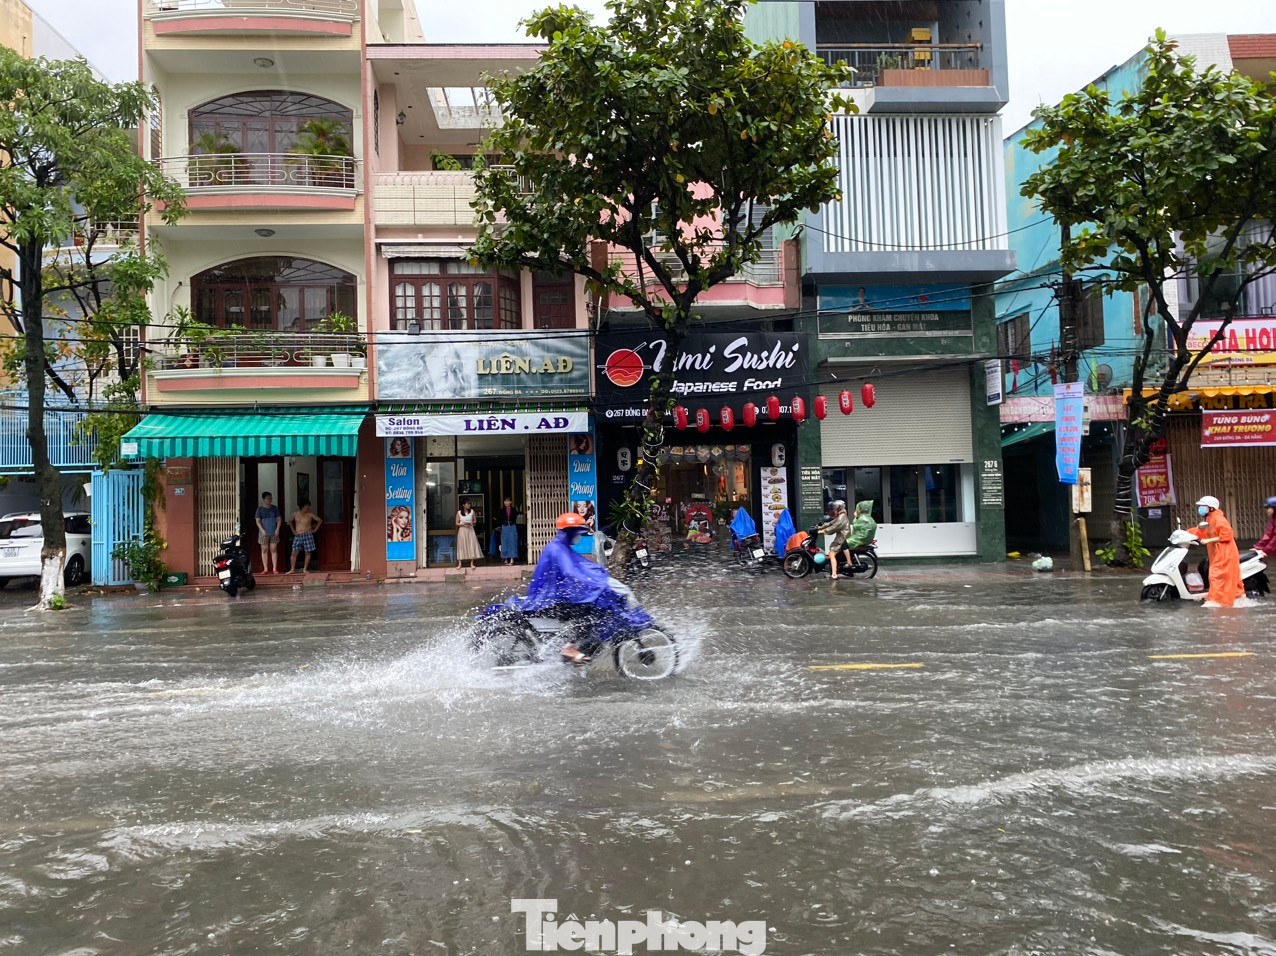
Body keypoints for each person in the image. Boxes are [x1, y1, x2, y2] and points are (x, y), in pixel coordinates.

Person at [513, 512, 655, 664]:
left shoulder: (562, 547)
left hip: (556, 595)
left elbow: (583, 566)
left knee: (591, 609)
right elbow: (571, 572)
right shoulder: (557, 549)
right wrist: (595, 583)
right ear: (569, 532)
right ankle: (569, 648)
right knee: (591, 613)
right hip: (550, 599)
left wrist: (599, 574)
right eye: (576, 533)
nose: (578, 536)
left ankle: (577, 648)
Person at [1188, 495, 1244, 607]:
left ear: (1211, 507)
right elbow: (1201, 531)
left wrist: (1209, 540)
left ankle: (1220, 601)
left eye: (1203, 506)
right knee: (1225, 576)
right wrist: (1186, 533)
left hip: (1225, 552)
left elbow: (1227, 535)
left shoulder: (1219, 519)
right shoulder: (1209, 518)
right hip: (1217, 551)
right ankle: (1237, 596)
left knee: (1217, 575)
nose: (1200, 508)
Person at [816, 500, 851, 581]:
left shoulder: (842, 517)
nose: (834, 509)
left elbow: (835, 527)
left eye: (835, 507)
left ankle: (834, 574)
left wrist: (823, 531)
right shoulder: (841, 515)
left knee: (832, 554)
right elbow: (831, 523)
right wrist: (820, 527)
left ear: (839, 508)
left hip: (842, 537)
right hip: (842, 536)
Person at [840, 500, 878, 573]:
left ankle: (849, 562)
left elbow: (855, 525)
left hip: (860, 539)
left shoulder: (861, 519)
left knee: (844, 545)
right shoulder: (869, 518)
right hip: (867, 539)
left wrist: (855, 517)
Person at [288, 500, 323, 574]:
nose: (308, 508)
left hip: (307, 534)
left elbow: (319, 520)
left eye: (309, 506)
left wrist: (315, 530)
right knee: (294, 552)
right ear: (302, 507)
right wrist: (293, 531)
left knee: (307, 552)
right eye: (306, 506)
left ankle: (305, 569)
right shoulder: (295, 514)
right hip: (298, 534)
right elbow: (290, 521)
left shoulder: (310, 514)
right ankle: (292, 569)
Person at [254, 491, 283, 574]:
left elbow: (279, 519)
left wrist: (277, 529)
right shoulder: (259, 509)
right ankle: (265, 568)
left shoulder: (274, 508)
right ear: (264, 499)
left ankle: (274, 568)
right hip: (263, 533)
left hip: (274, 532)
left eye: (271, 498)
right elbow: (258, 521)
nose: (270, 500)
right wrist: (262, 530)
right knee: (264, 550)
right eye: (268, 498)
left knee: (273, 549)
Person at [454, 498, 482, 569]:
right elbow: (456, 523)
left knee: (471, 544)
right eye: (467, 504)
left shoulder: (472, 511)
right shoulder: (459, 512)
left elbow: (475, 521)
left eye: (469, 504)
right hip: (462, 530)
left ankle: (472, 563)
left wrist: (472, 523)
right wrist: (462, 524)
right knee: (462, 545)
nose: (469, 505)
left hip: (470, 530)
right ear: (463, 505)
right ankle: (460, 563)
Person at [497, 496, 519, 566]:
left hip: (512, 526)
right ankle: (506, 558)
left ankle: (512, 559)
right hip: (505, 526)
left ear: (511, 502)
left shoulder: (514, 510)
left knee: (512, 541)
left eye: (508, 501)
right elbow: (499, 518)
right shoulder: (501, 510)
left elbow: (515, 517)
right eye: (505, 501)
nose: (506, 502)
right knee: (504, 542)